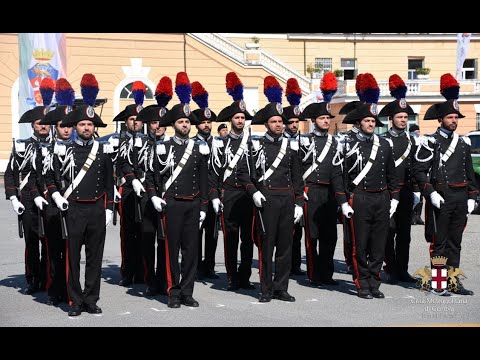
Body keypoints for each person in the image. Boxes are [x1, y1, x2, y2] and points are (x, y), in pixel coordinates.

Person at [45, 73, 114, 316]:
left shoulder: (103, 150)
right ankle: (75, 301)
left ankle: (91, 299)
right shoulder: (64, 151)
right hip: (72, 209)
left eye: (90, 125)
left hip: (96, 209)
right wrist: (57, 197)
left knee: (95, 258)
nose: (87, 128)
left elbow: (109, 182)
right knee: (72, 259)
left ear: (95, 127)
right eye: (83, 124)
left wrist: (109, 209)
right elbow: (49, 179)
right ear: (75, 127)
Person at [145, 72, 209, 308]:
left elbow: (205, 179)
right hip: (171, 203)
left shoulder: (199, 148)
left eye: (187, 122)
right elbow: (151, 176)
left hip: (193, 204)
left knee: (191, 251)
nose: (185, 125)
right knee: (171, 251)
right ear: (173, 125)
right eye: (181, 122)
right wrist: (153, 197)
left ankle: (187, 292)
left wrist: (203, 206)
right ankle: (173, 292)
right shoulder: (163, 148)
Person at [238, 76, 304, 303]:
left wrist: (298, 204)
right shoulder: (255, 144)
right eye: (274, 121)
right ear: (266, 123)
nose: (278, 125)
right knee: (266, 248)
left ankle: (281, 287)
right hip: (266, 200)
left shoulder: (291, 145)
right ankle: (266, 289)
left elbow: (298, 177)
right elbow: (243, 173)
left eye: (281, 121)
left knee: (285, 248)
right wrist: (253, 192)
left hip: (286, 201)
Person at [414, 73, 478, 295]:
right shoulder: (430, 142)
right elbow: (419, 171)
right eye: (450, 117)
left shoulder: (463, 143)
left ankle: (453, 282)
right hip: (441, 196)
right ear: (440, 120)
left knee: (456, 243)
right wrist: (430, 193)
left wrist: (472, 197)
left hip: (460, 197)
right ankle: (439, 283)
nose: (454, 120)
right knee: (439, 243)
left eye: (456, 117)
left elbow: (470, 174)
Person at [341, 73, 399, 299]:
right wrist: (344, 201)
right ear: (358, 123)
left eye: (373, 122)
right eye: (367, 121)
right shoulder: (349, 145)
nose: (371, 124)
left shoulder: (384, 145)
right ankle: (361, 282)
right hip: (361, 198)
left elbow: (392, 174)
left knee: (378, 244)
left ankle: (375, 281)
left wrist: (394, 198)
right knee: (360, 245)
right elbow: (342, 175)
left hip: (381, 198)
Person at [300, 72, 352, 286]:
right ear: (314, 121)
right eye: (322, 118)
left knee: (330, 236)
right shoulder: (305, 141)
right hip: (311, 191)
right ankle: (314, 274)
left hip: (330, 193)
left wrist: (341, 198)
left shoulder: (335, 142)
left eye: (327, 119)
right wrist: (301, 189)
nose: (325, 121)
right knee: (312, 236)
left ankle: (327, 273)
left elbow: (339, 171)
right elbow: (299, 168)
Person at [4, 78, 54, 295]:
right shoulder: (22, 146)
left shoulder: (58, 147)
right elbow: (10, 173)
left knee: (51, 243)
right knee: (33, 243)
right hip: (28, 201)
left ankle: (50, 280)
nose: (43, 126)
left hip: (51, 200)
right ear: (33, 126)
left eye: (46, 122)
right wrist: (13, 197)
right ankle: (34, 279)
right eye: (38, 123)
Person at [209, 72, 255, 291]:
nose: (240, 120)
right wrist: (215, 195)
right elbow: (214, 172)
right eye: (237, 117)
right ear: (230, 120)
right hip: (229, 193)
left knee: (248, 239)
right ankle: (231, 278)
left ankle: (245, 277)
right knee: (230, 239)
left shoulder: (253, 144)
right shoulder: (220, 145)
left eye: (243, 118)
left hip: (248, 196)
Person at [378, 74, 419, 284]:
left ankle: (402, 269)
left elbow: (415, 167)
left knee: (405, 233)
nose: (403, 120)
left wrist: (417, 192)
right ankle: (391, 268)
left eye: (405, 117)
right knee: (388, 232)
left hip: (406, 192)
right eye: (400, 117)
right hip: (387, 193)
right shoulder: (383, 140)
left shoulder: (412, 140)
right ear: (390, 119)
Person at [134, 76, 172, 296]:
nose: (157, 127)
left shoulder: (173, 144)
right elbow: (130, 166)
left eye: (161, 123)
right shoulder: (141, 143)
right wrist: (136, 181)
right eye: (154, 123)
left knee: (165, 241)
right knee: (148, 241)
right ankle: (150, 280)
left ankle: (164, 279)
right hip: (147, 198)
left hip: (167, 197)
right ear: (149, 124)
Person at [38, 78, 75, 305]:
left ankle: (70, 290)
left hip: (74, 206)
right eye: (62, 125)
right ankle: (55, 289)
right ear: (55, 126)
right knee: (54, 252)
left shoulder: (80, 148)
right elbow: (38, 177)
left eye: (69, 125)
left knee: (70, 251)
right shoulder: (45, 149)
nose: (66, 129)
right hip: (52, 204)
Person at [113, 82, 148, 287]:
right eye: (132, 119)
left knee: (144, 231)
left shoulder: (149, 141)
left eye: (138, 120)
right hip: (126, 189)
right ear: (126, 122)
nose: (136, 123)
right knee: (128, 233)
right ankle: (128, 271)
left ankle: (143, 271)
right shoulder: (117, 141)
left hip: (145, 189)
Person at [191, 81, 219, 280]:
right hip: (197, 192)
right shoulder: (192, 144)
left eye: (209, 123)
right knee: (194, 233)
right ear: (197, 125)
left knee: (212, 232)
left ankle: (208, 266)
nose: (207, 125)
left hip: (214, 193)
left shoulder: (218, 143)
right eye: (203, 123)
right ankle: (195, 266)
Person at [282, 78, 307, 277]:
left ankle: (296, 264)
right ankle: (285, 264)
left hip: (300, 191)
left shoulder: (304, 141)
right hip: (283, 190)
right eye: (290, 122)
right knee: (284, 232)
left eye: (297, 122)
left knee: (298, 230)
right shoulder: (279, 142)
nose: (294, 126)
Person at [409, 124, 425, 225]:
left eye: (418, 131)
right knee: (414, 197)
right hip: (413, 175)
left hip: (421, 173)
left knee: (421, 196)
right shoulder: (410, 142)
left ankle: (418, 216)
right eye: (415, 131)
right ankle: (412, 216)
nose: (417, 133)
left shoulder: (422, 142)